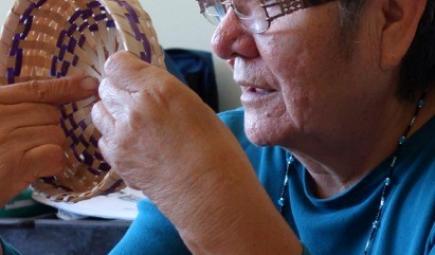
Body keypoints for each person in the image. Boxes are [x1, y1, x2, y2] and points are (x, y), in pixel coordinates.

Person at [1, 0, 434, 254]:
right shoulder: (227, 145)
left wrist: (203, 193)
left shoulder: (206, 161)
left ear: (393, 18)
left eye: (261, 6)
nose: (222, 43)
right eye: (219, 6)